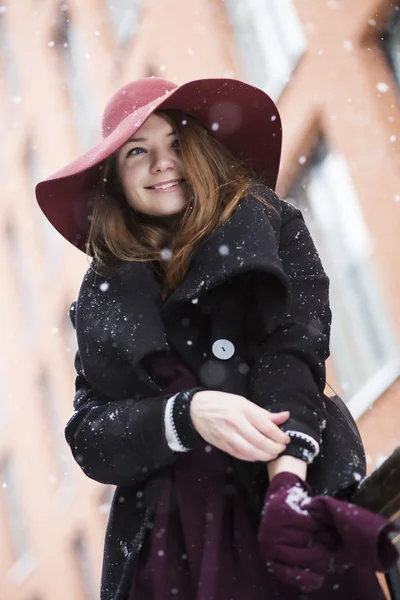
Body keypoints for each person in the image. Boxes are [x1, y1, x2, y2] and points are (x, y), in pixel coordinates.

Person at [35, 77, 398, 600]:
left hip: (285, 495)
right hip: (168, 547)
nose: (162, 163)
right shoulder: (101, 294)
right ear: (115, 177)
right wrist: (186, 414)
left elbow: (294, 349)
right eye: (138, 151)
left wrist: (287, 483)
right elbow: (91, 436)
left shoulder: (271, 222)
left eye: (177, 143)